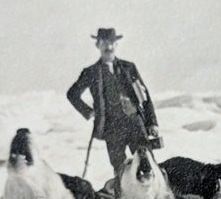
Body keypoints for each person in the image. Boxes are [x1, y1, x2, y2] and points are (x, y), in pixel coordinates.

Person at [66, 28, 159, 175]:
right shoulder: (91, 72)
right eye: (104, 43)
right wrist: (89, 112)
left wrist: (152, 122)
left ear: (116, 45)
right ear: (98, 45)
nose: (108, 47)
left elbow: (145, 97)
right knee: (120, 170)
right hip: (112, 128)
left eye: (111, 43)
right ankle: (123, 197)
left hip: (135, 124)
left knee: (148, 165)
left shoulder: (128, 68)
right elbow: (72, 94)